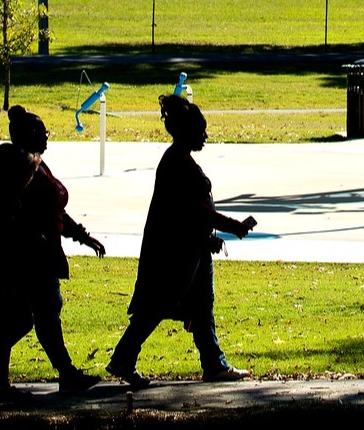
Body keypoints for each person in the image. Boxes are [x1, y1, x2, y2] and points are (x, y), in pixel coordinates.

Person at [106, 93, 257, 387]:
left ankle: (214, 364)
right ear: (187, 132)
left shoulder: (177, 160)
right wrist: (233, 226)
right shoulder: (179, 164)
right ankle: (123, 357)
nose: (205, 136)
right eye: (200, 131)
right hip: (175, 254)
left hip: (192, 250)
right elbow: (196, 211)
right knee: (157, 305)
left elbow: (189, 214)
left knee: (201, 305)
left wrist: (208, 238)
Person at [0, 106, 107, 400]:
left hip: (37, 255)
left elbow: (54, 211)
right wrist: (35, 239)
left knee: (33, 316)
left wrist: (81, 236)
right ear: (28, 136)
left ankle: (3, 376)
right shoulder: (18, 169)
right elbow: (13, 216)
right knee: (27, 316)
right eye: (42, 132)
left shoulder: (35, 165)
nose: (46, 137)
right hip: (28, 259)